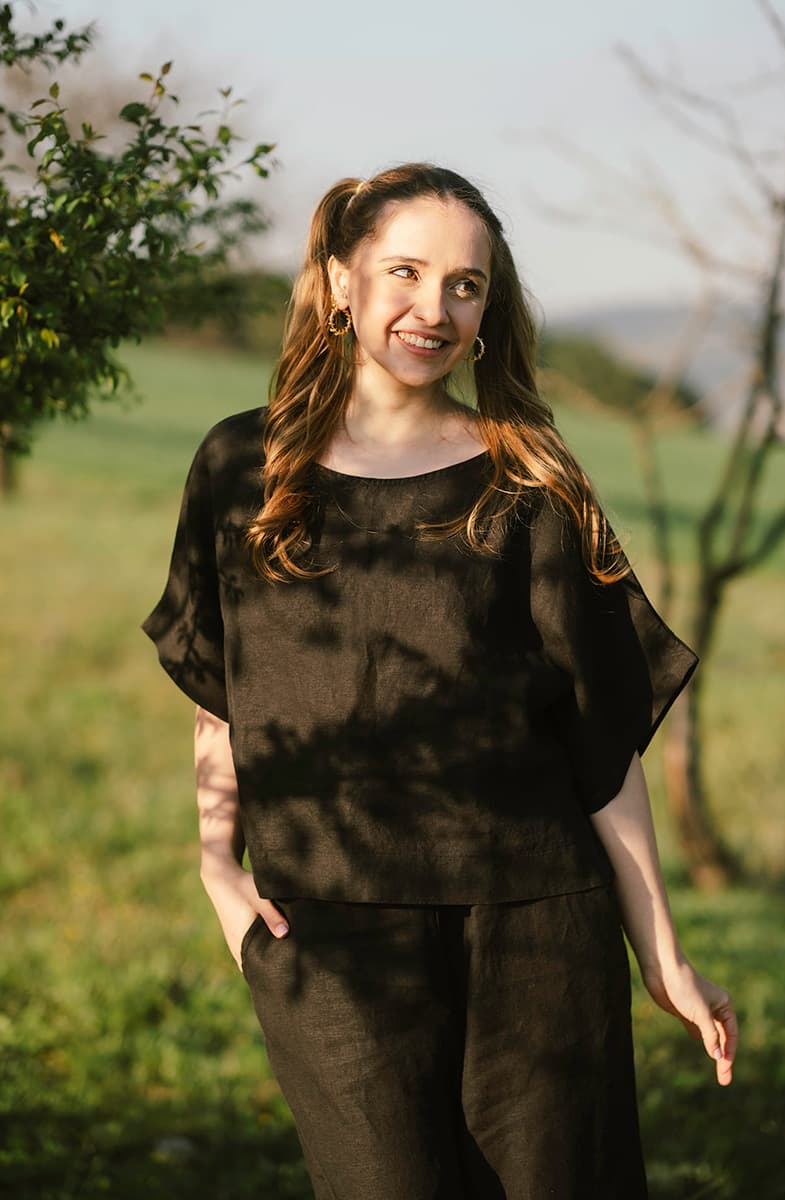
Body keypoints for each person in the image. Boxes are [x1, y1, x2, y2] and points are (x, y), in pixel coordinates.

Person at [142, 162, 738, 1199]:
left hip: (535, 927)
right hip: (328, 932)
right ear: (338, 281)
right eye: (404, 272)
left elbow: (600, 744)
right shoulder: (243, 466)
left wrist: (663, 954)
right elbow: (219, 691)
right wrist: (216, 869)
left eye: (465, 285)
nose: (434, 308)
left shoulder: (528, 474)